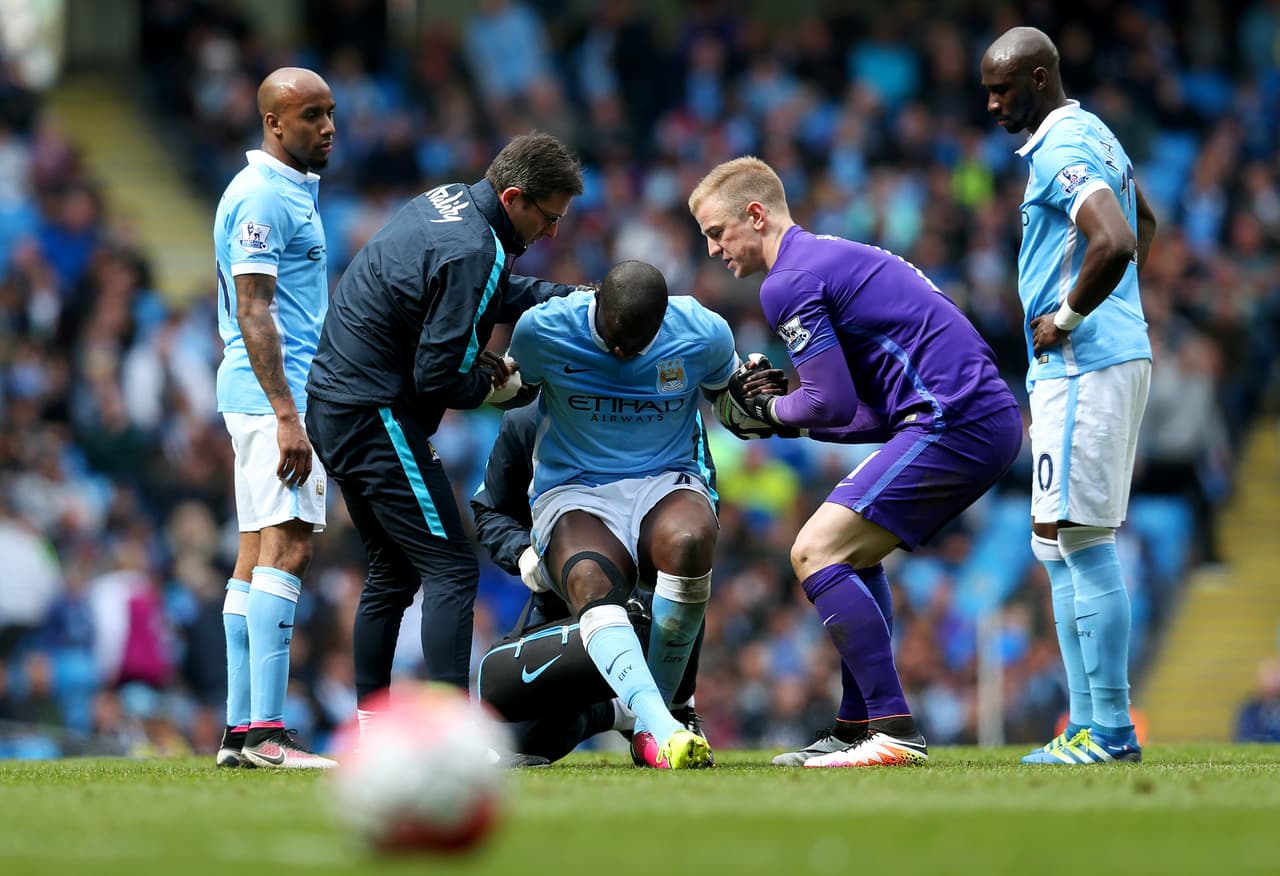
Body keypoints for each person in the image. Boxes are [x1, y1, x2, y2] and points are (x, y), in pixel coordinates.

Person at [688, 157, 1023, 768]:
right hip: (971, 414)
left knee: (814, 550)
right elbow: (861, 412)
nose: (712, 249)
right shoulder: (830, 256)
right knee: (852, 552)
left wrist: (771, 412)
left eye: (716, 232)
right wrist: (789, 412)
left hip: (955, 419)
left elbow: (828, 401)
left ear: (755, 215)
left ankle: (894, 730)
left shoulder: (786, 280)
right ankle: (857, 725)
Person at [304, 132, 584, 736]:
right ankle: (455, 735)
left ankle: (372, 729)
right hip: (373, 412)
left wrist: (567, 298)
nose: (553, 234)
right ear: (514, 198)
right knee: (453, 567)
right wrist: (499, 388)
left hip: (339, 403)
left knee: (394, 571)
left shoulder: (452, 203)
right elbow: (437, 377)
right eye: (549, 217)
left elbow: (488, 295)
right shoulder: (473, 250)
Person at [503, 259, 771, 769]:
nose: (623, 352)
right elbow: (512, 394)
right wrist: (495, 384)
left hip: (665, 481)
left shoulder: (702, 332)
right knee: (588, 580)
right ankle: (662, 727)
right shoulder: (544, 327)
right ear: (596, 298)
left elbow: (731, 409)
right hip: (575, 490)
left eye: (638, 343)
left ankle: (662, 717)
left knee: (691, 540)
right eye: (615, 338)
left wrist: (757, 402)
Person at [981, 27, 1157, 764]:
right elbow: (1146, 221)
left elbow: (1115, 239)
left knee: (1081, 543)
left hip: (1084, 364)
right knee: (1054, 546)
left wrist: (1072, 316)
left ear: (1042, 78)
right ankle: (1084, 725)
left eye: (1002, 89)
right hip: (1088, 364)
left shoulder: (1061, 147)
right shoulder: (1097, 135)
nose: (992, 104)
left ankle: (1112, 730)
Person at [471, 397, 714, 764]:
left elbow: (704, 499)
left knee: (677, 592)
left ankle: (673, 711)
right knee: (517, 738)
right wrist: (523, 552)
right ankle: (617, 711)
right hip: (562, 602)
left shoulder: (669, 407)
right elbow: (491, 509)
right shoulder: (525, 420)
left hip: (647, 602)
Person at [213, 67, 337, 769]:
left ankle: (239, 734)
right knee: (289, 547)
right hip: (274, 399)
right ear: (273, 124)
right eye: (310, 115)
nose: (326, 127)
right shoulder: (264, 196)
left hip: (257, 396)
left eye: (329, 113)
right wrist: (289, 414)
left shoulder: (280, 189)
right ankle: (267, 733)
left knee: (255, 553)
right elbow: (254, 307)